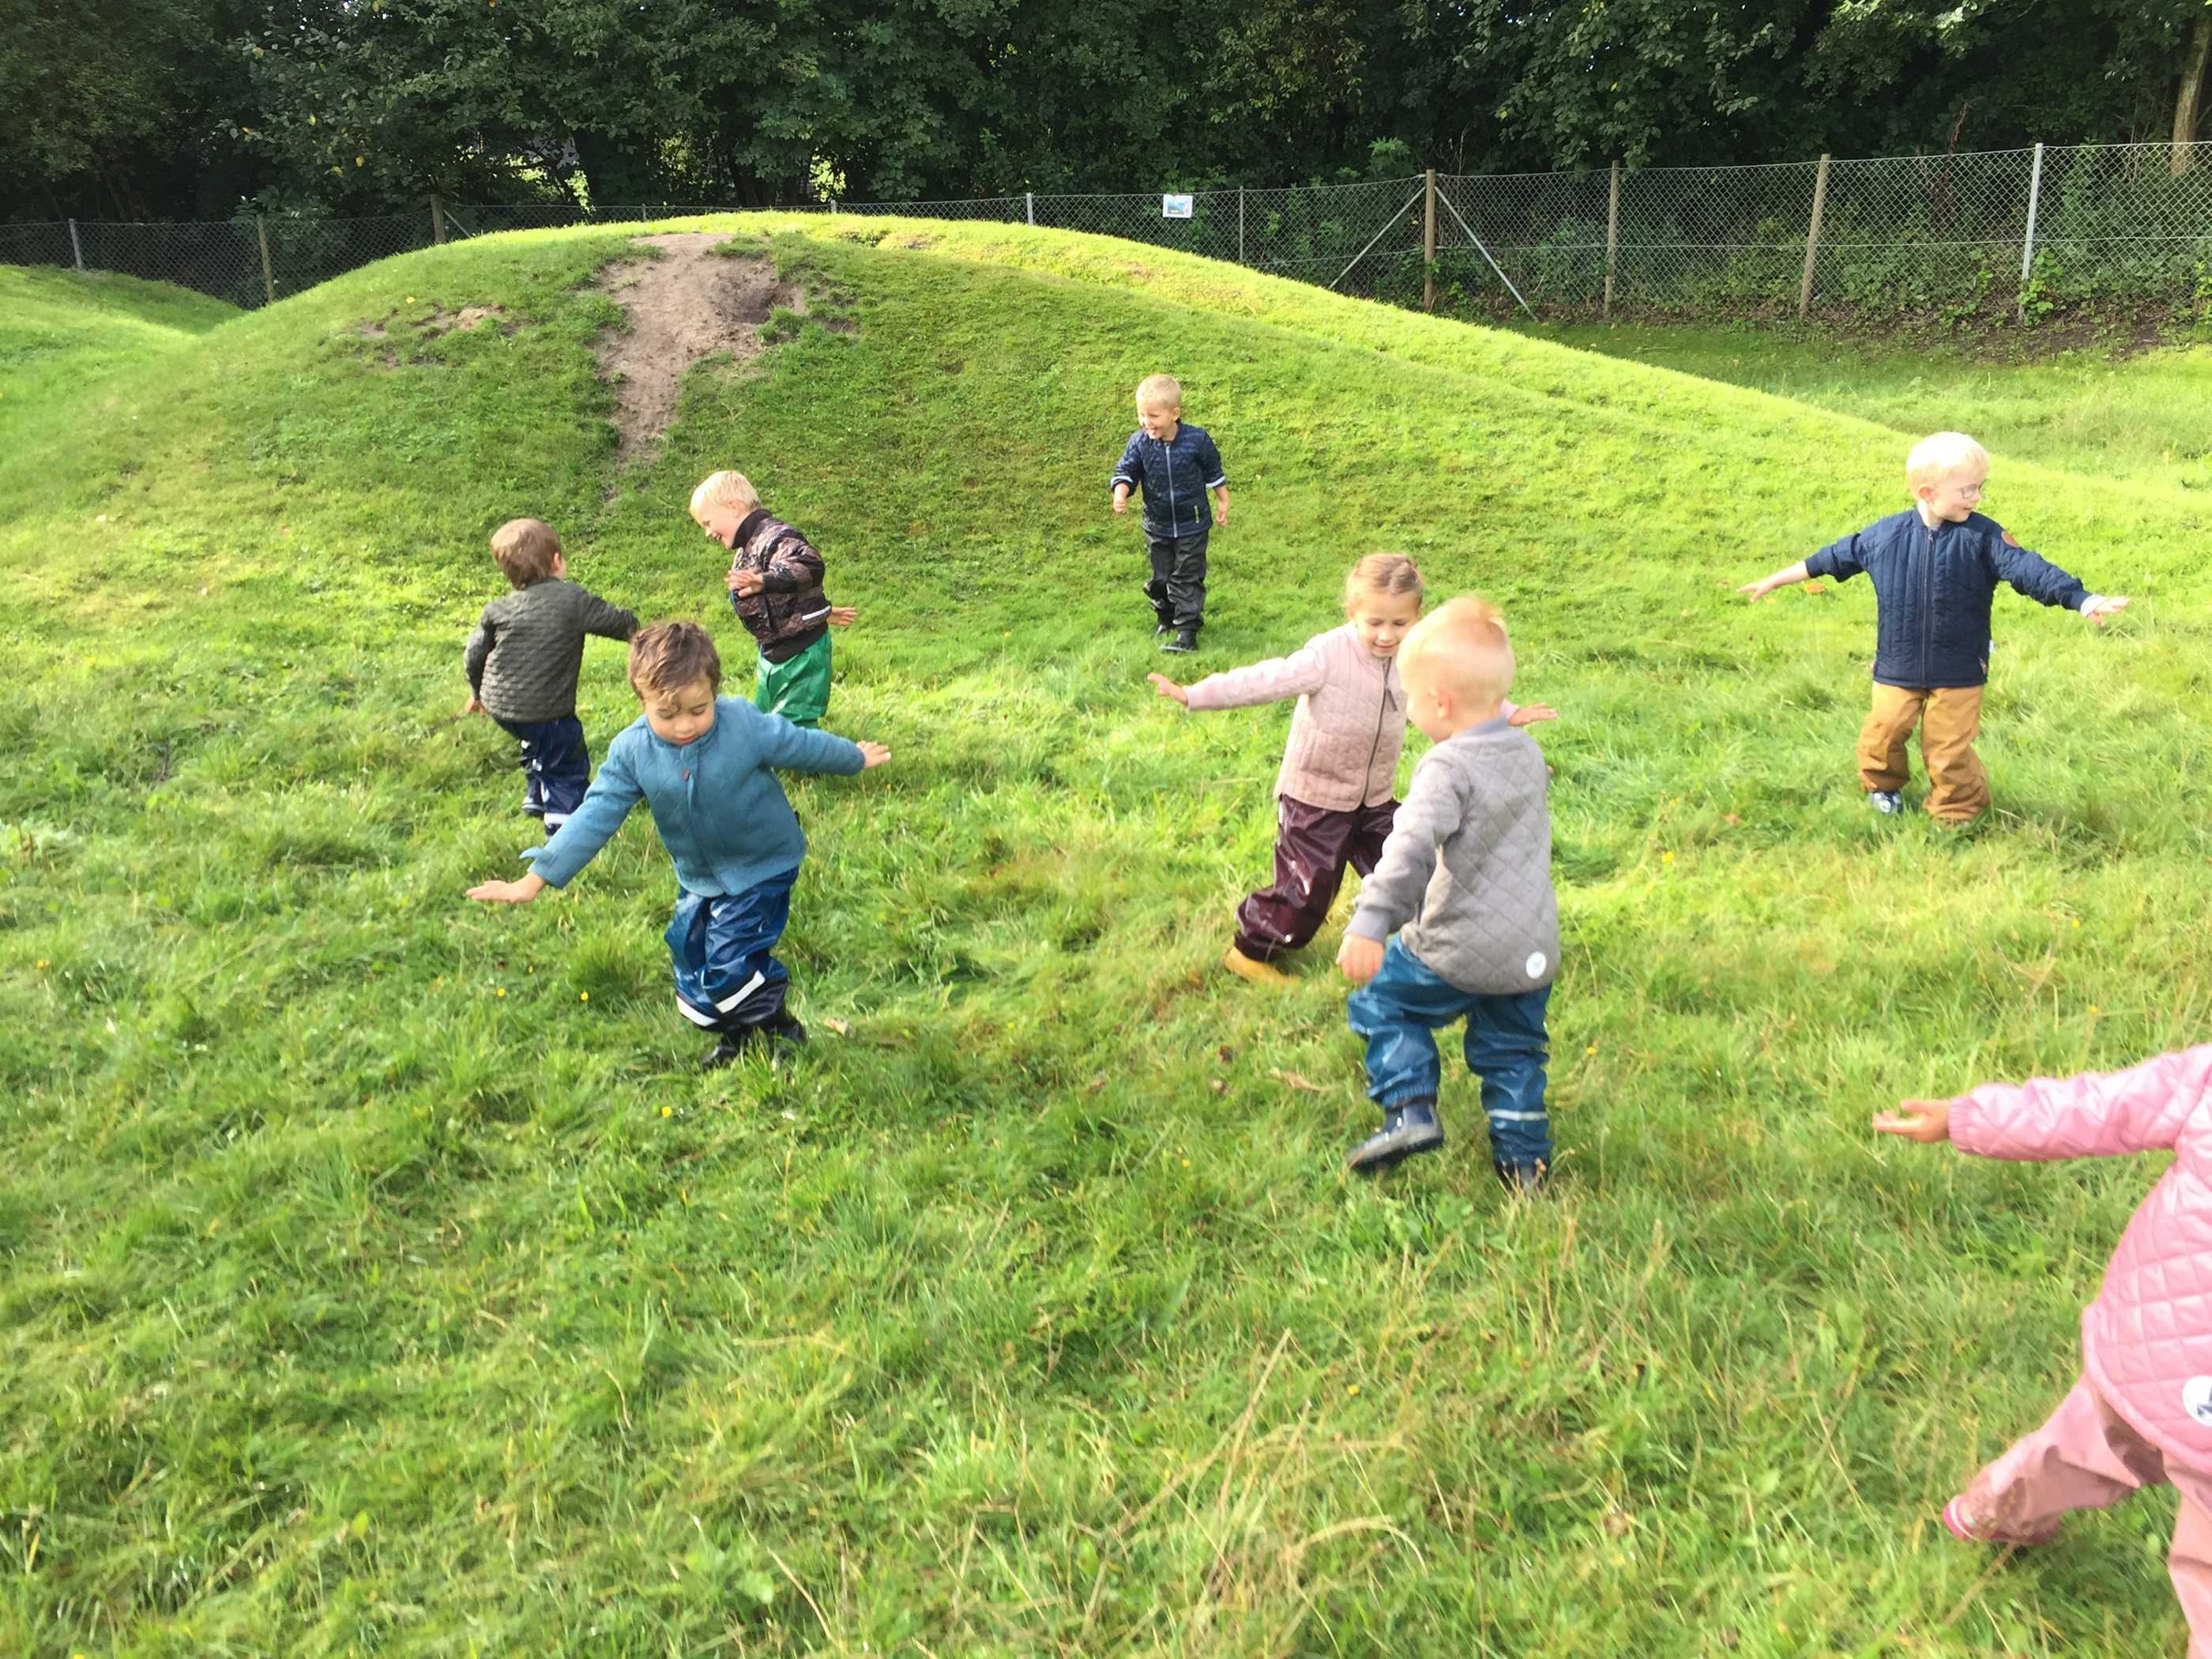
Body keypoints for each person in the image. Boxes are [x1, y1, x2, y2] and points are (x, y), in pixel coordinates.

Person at [1874, 1047, 2212, 1651]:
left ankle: (1993, 1512)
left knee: (2086, 1441)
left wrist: (1966, 1117)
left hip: (2147, 1350)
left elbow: (2097, 1106)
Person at [464, 621, 890, 1067]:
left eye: (698, 709)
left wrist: (854, 756)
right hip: (700, 877)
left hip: (764, 864)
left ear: (714, 692)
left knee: (732, 958)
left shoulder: (743, 724)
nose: (685, 725)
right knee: (690, 953)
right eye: (667, 715)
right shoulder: (632, 751)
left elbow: (800, 745)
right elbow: (595, 814)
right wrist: (535, 879)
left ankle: (780, 1030)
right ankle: (737, 1035)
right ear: (641, 699)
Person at [1149, 553, 1554, 988]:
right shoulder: (1327, 655)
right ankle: (1249, 951)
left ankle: (1435, 948)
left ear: (1416, 618)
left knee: (1412, 866)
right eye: (1375, 622)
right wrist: (1194, 694)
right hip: (1315, 799)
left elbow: (1458, 690)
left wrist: (1506, 712)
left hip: (1375, 798)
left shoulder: (1414, 658)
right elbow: (1264, 681)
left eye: (1400, 624)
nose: (1386, 635)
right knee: (1309, 889)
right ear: (1352, 613)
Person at [1738, 431, 2127, 826]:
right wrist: (1775, 579)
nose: (1976, 497)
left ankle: (1956, 814)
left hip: (1959, 669)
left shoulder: (1983, 536)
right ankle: (1882, 788)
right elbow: (1830, 559)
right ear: (1928, 492)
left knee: (1948, 749)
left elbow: (2028, 569)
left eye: (1980, 488)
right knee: (1884, 732)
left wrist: (2081, 599)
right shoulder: (1884, 536)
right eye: (1968, 489)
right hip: (1897, 664)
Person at [1334, 596, 1559, 1190]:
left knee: (1384, 1002)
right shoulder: (1526, 752)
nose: (1408, 710)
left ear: (1439, 702)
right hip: (1532, 949)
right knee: (1515, 1051)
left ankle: (1410, 1109)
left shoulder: (1446, 767)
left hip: (1456, 946)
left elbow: (1407, 848)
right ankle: (1523, 1166)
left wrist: (1371, 922)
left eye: (1411, 698)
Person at [461, 517, 637, 830]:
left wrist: (477, 694)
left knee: (533, 738)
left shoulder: (498, 609)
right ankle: (563, 829)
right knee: (566, 762)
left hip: (503, 707)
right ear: (557, 560)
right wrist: (642, 632)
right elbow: (619, 623)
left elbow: (474, 654)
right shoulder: (572, 600)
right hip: (549, 710)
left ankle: (535, 793)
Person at [689, 470, 858, 728]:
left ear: (733, 507)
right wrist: (822, 611)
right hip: (774, 650)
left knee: (794, 720)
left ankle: (810, 764)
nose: (708, 532)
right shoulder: (749, 547)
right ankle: (766, 755)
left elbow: (808, 565)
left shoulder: (776, 536)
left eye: (708, 523)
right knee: (762, 719)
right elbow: (790, 596)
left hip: (801, 650)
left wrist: (764, 580)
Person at [1110, 372, 1228, 655]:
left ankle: (1187, 632)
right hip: (1157, 524)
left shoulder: (1197, 440)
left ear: (1175, 413)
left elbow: (1214, 472)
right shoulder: (1139, 443)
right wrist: (1121, 492)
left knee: (1187, 576)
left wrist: (1223, 502)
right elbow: (1126, 470)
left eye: (1153, 415)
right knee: (1161, 577)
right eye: (1141, 415)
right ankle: (1165, 617)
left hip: (1193, 523)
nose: (1146, 422)